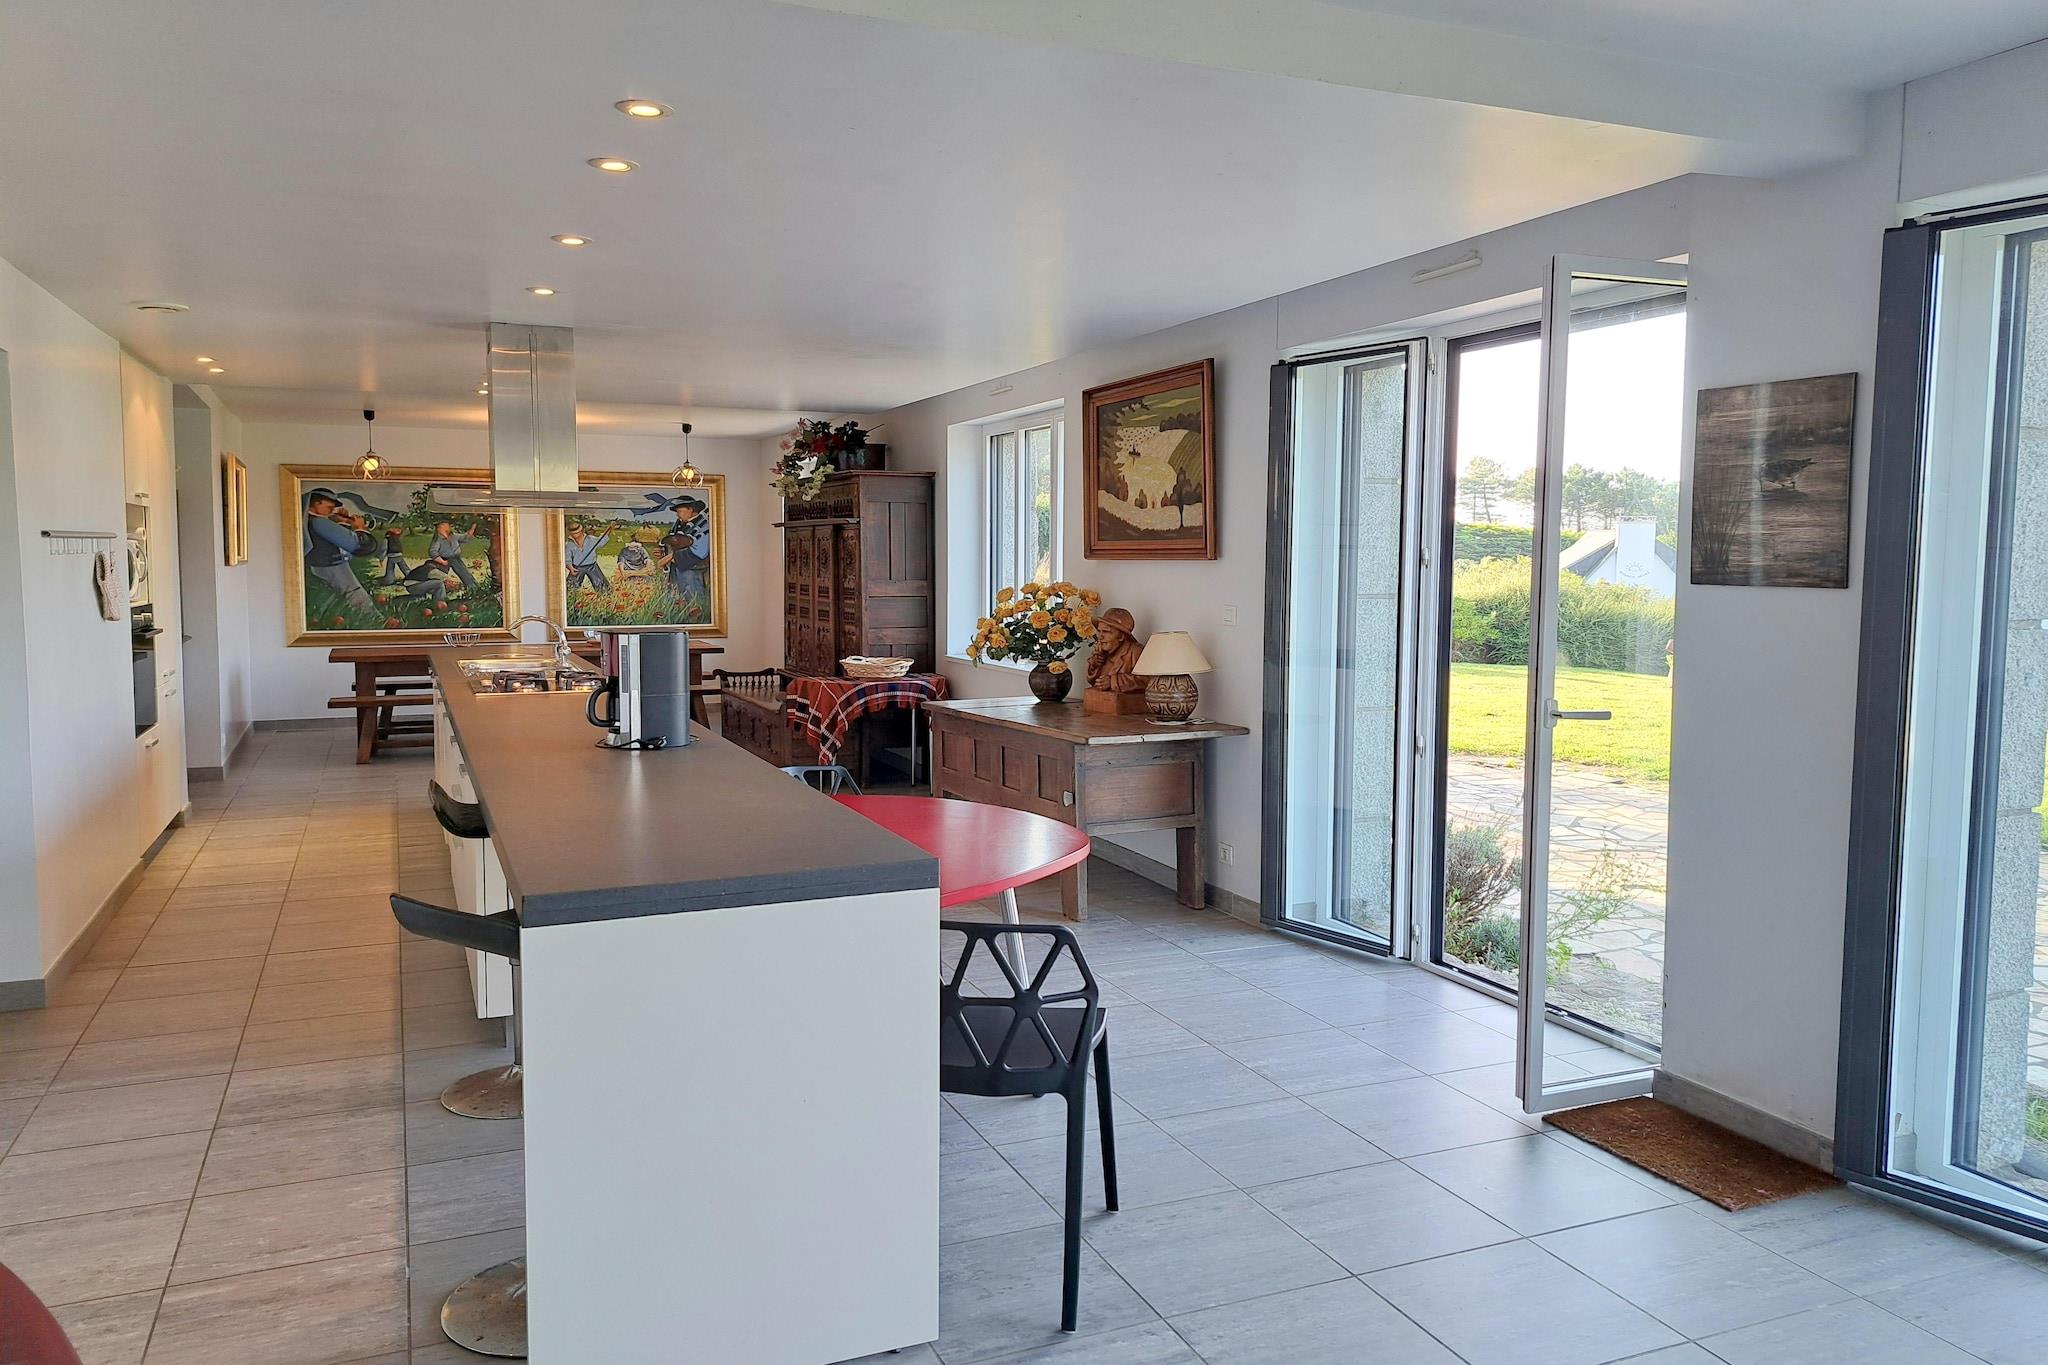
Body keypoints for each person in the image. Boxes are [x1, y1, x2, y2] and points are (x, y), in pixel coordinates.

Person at [302, 487, 376, 613]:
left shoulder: (312, 520)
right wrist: (359, 527)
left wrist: (343, 523)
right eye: (329, 506)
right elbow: (360, 546)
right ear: (316, 503)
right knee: (356, 595)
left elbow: (333, 537)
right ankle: (373, 620)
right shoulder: (319, 522)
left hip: (321, 566)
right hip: (332, 567)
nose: (332, 509)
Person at [655, 498, 710, 612]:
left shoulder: (705, 526)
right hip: (675, 570)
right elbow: (671, 543)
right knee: (674, 601)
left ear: (691, 509)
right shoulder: (679, 525)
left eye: (680, 511)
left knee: (693, 601)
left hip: (691, 571)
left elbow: (701, 551)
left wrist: (671, 557)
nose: (677, 515)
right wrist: (663, 552)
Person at [1085, 606, 1146, 694]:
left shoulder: (1136, 652)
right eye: (1099, 631)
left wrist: (1113, 681)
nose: (1100, 637)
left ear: (1121, 636)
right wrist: (1094, 666)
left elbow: (1145, 680)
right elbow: (1093, 682)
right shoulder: (1103, 651)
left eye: (1106, 632)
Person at [428, 520, 482, 592]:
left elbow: (466, 537)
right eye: (447, 525)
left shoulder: (453, 536)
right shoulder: (437, 539)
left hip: (456, 558)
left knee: (465, 571)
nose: (449, 527)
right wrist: (442, 561)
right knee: (462, 572)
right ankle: (472, 587)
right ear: (441, 527)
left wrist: (473, 526)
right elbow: (433, 552)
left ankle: (474, 586)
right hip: (447, 559)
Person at [376, 562, 457, 608]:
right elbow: (443, 581)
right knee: (439, 584)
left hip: (412, 585)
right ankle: (440, 603)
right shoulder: (434, 569)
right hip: (414, 586)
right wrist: (450, 585)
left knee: (420, 598)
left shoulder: (429, 566)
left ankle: (397, 600)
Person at [564, 521, 612, 595]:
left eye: (577, 533)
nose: (575, 535)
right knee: (570, 588)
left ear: (582, 531)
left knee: (602, 587)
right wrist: (570, 567)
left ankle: (606, 597)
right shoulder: (569, 544)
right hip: (577, 567)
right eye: (573, 533)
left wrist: (610, 528)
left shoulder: (591, 539)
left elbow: (602, 541)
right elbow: (567, 558)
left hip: (592, 566)